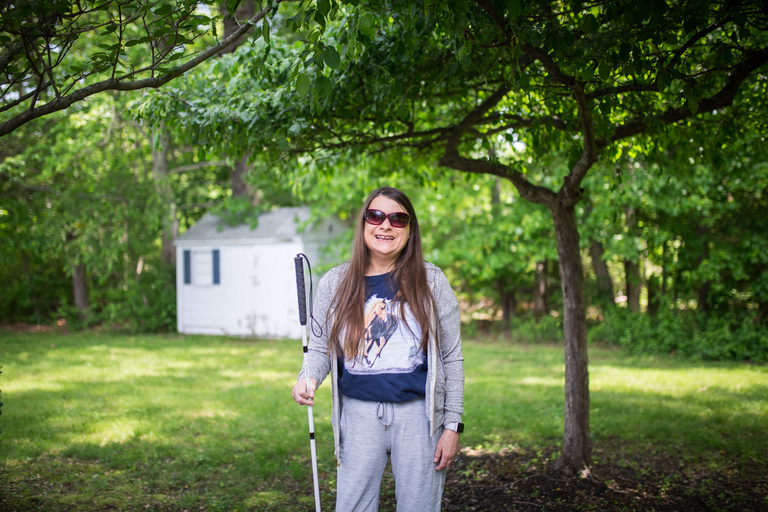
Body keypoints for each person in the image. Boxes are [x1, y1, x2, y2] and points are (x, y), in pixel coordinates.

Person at [291, 186, 465, 511]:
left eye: (398, 219)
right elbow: (318, 348)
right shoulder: (336, 282)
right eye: (376, 215)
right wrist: (308, 378)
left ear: (410, 230)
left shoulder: (433, 281)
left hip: (419, 417)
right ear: (363, 224)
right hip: (358, 415)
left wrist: (453, 425)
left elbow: (451, 359)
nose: (385, 225)